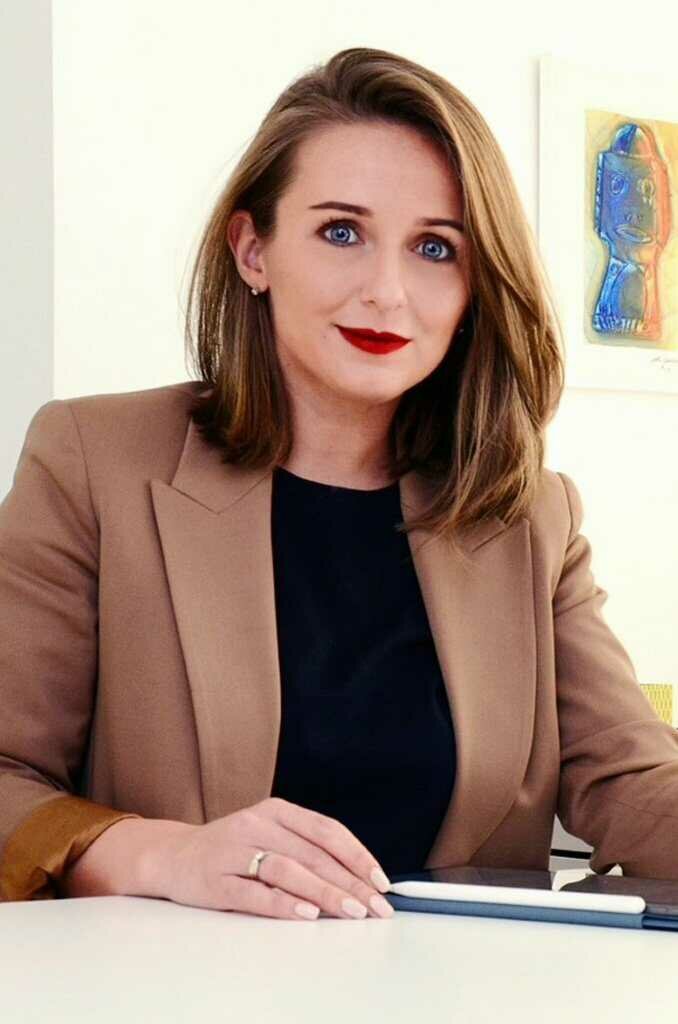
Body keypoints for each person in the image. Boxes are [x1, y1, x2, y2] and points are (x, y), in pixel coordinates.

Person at [2, 47, 678, 920]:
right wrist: (164, 852)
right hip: (178, 981)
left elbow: (630, 783)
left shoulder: (526, 512)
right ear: (253, 250)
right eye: (341, 233)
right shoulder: (95, 460)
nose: (387, 292)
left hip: (465, 984)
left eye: (434, 248)